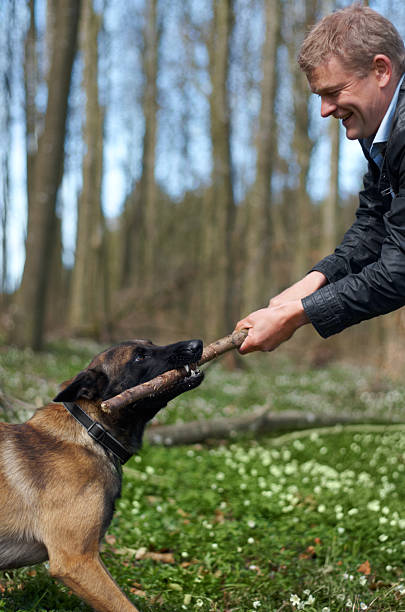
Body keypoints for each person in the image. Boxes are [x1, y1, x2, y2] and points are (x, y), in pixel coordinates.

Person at [236, 3, 405, 355]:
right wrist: (311, 283)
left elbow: (398, 270)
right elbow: (374, 224)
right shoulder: (380, 131)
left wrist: (296, 316)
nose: (325, 110)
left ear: (381, 70)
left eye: (333, 92)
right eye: (320, 96)